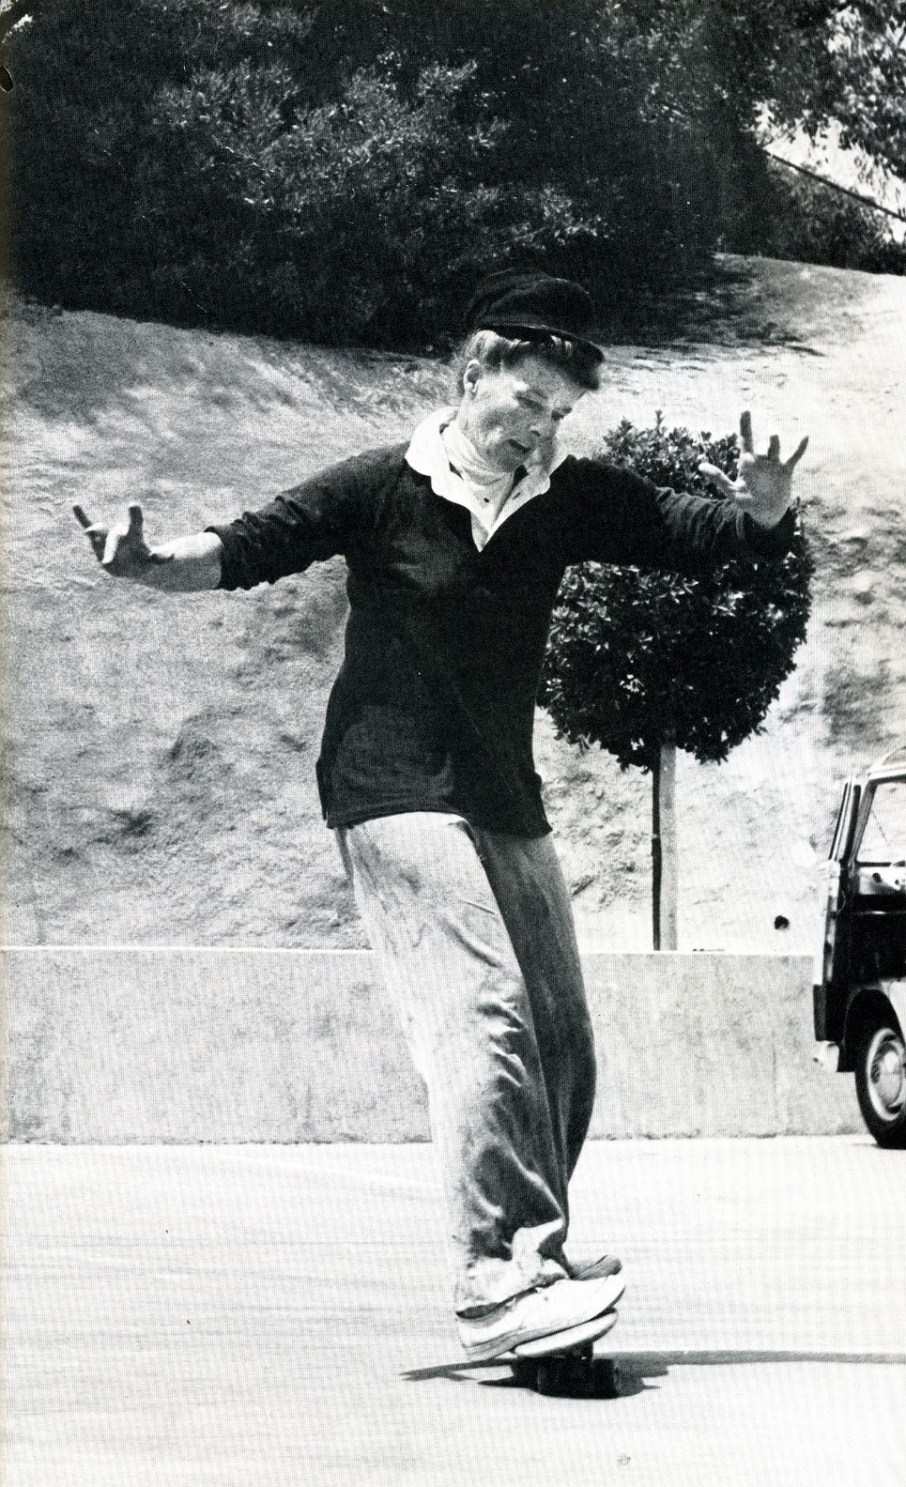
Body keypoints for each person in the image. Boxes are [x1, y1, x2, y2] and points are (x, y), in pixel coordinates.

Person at [75, 270, 809, 1363]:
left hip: (501, 794)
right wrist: (147, 565)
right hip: (389, 785)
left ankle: (539, 1253)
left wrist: (764, 510)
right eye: (527, 402)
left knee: (562, 1038)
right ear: (473, 374)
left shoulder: (568, 496)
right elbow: (250, 544)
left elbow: (695, 533)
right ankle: (495, 1270)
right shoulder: (383, 486)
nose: (540, 430)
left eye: (561, 413)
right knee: (485, 1014)